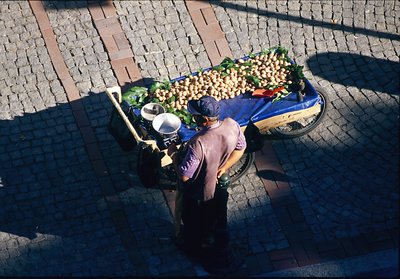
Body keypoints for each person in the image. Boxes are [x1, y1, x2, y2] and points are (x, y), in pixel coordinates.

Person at [167, 95, 246, 274]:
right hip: (219, 186)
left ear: (203, 120)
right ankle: (215, 240)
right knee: (217, 216)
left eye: (195, 116)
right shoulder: (232, 124)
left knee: (194, 222)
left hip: (200, 193)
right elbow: (241, 148)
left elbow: (185, 176)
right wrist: (224, 167)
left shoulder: (198, 144)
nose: (193, 119)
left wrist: (173, 154)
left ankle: (196, 249)